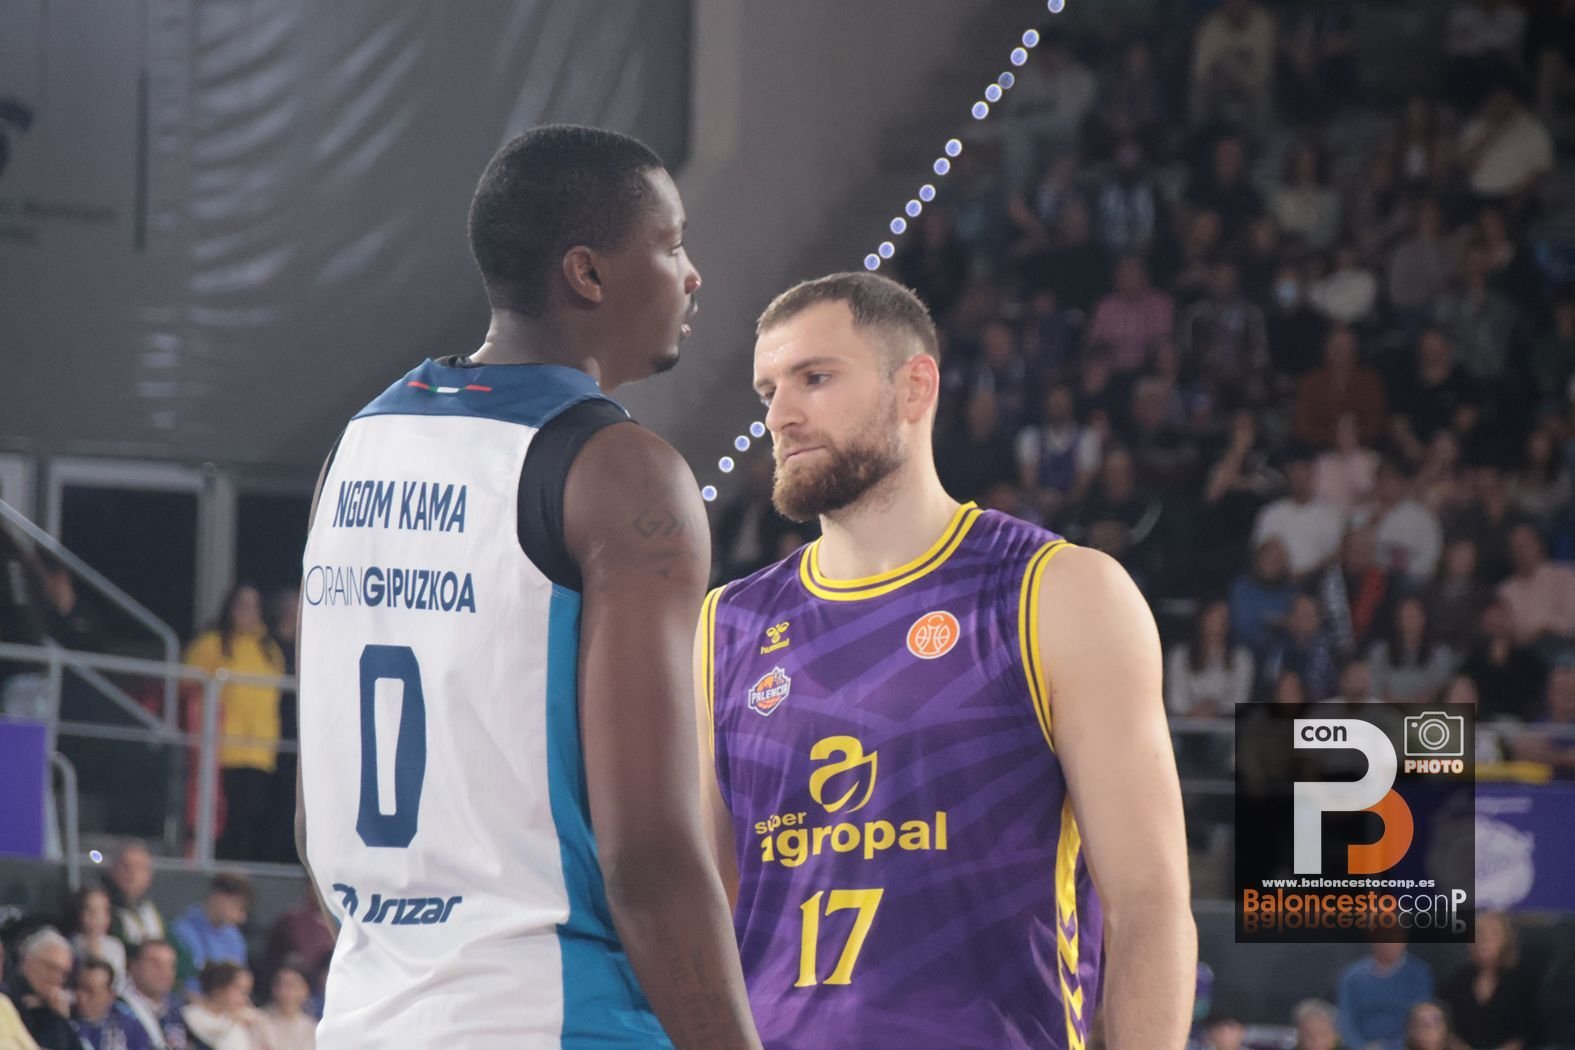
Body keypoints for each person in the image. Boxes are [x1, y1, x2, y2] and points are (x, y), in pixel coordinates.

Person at [294, 126, 759, 1049]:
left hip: (364, 1014)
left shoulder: (359, 443)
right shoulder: (624, 473)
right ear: (586, 274)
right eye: (670, 245)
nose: (691, 275)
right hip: (553, 1016)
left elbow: (315, 825)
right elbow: (649, 858)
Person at [702, 272, 1196, 1048]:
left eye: (814, 378)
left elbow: (1149, 905)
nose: (779, 415)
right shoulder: (724, 625)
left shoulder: (1058, 592)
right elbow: (706, 915)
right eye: (768, 391)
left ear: (914, 387)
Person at [183, 584, 286, 862]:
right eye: (242, 605)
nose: (247, 612)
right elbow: (187, 686)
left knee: (253, 813)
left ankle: (243, 869)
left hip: (260, 750)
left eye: (253, 606)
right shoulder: (210, 644)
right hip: (222, 747)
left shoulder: (270, 650)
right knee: (224, 815)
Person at [1438, 911, 1538, 1049]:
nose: (1484, 940)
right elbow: (1443, 1025)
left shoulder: (1524, 981)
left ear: (1506, 940)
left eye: (1493, 934)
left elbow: (1529, 1031)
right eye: (1479, 933)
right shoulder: (1457, 980)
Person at [1336, 940, 1434, 1050]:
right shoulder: (1352, 976)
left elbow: (1420, 1018)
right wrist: (1362, 1047)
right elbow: (1345, 1019)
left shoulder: (1418, 974)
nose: (1387, 944)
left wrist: (1391, 1047)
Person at [1166, 600, 1254, 716]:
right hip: (1184, 722)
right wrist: (1195, 711)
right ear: (1201, 619)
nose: (1221, 623)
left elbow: (1241, 699)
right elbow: (1175, 699)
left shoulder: (1242, 657)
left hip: (1226, 723)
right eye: (1215, 617)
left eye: (1225, 618)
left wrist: (1216, 709)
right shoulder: (1179, 655)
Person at [170, 874, 249, 997]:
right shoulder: (181, 930)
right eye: (237, 907)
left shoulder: (235, 938)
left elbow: (240, 980)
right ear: (219, 897)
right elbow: (180, 982)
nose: (241, 918)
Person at [8, 928, 76, 1050]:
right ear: (28, 961)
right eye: (51, 968)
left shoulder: (54, 1007)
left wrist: (60, 1017)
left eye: (63, 973)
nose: (56, 978)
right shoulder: (7, 998)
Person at [121, 940, 190, 1050]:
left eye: (170, 965)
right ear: (134, 966)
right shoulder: (119, 1008)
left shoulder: (177, 1007)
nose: (164, 971)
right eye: (155, 963)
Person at [71, 959, 151, 1050]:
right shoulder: (66, 1022)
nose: (81, 997)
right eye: (78, 988)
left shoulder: (128, 1024)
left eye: (90, 991)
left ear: (110, 995)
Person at [180, 965, 264, 1050]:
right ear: (219, 989)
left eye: (247, 993)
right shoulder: (190, 1015)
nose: (245, 999)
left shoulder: (239, 1019)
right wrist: (230, 1022)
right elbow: (209, 1039)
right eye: (240, 990)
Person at [105, 843, 166, 949]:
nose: (133, 874)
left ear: (149, 876)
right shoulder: (104, 909)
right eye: (126, 867)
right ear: (112, 871)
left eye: (140, 868)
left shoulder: (154, 910)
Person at [68, 887, 128, 990]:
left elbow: (118, 983)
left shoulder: (115, 946)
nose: (97, 917)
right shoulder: (70, 944)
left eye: (104, 911)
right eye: (91, 911)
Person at [256, 961, 314, 1050]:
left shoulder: (311, 1027)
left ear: (305, 990)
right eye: (280, 985)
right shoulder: (259, 1020)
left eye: (292, 986)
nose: (284, 992)